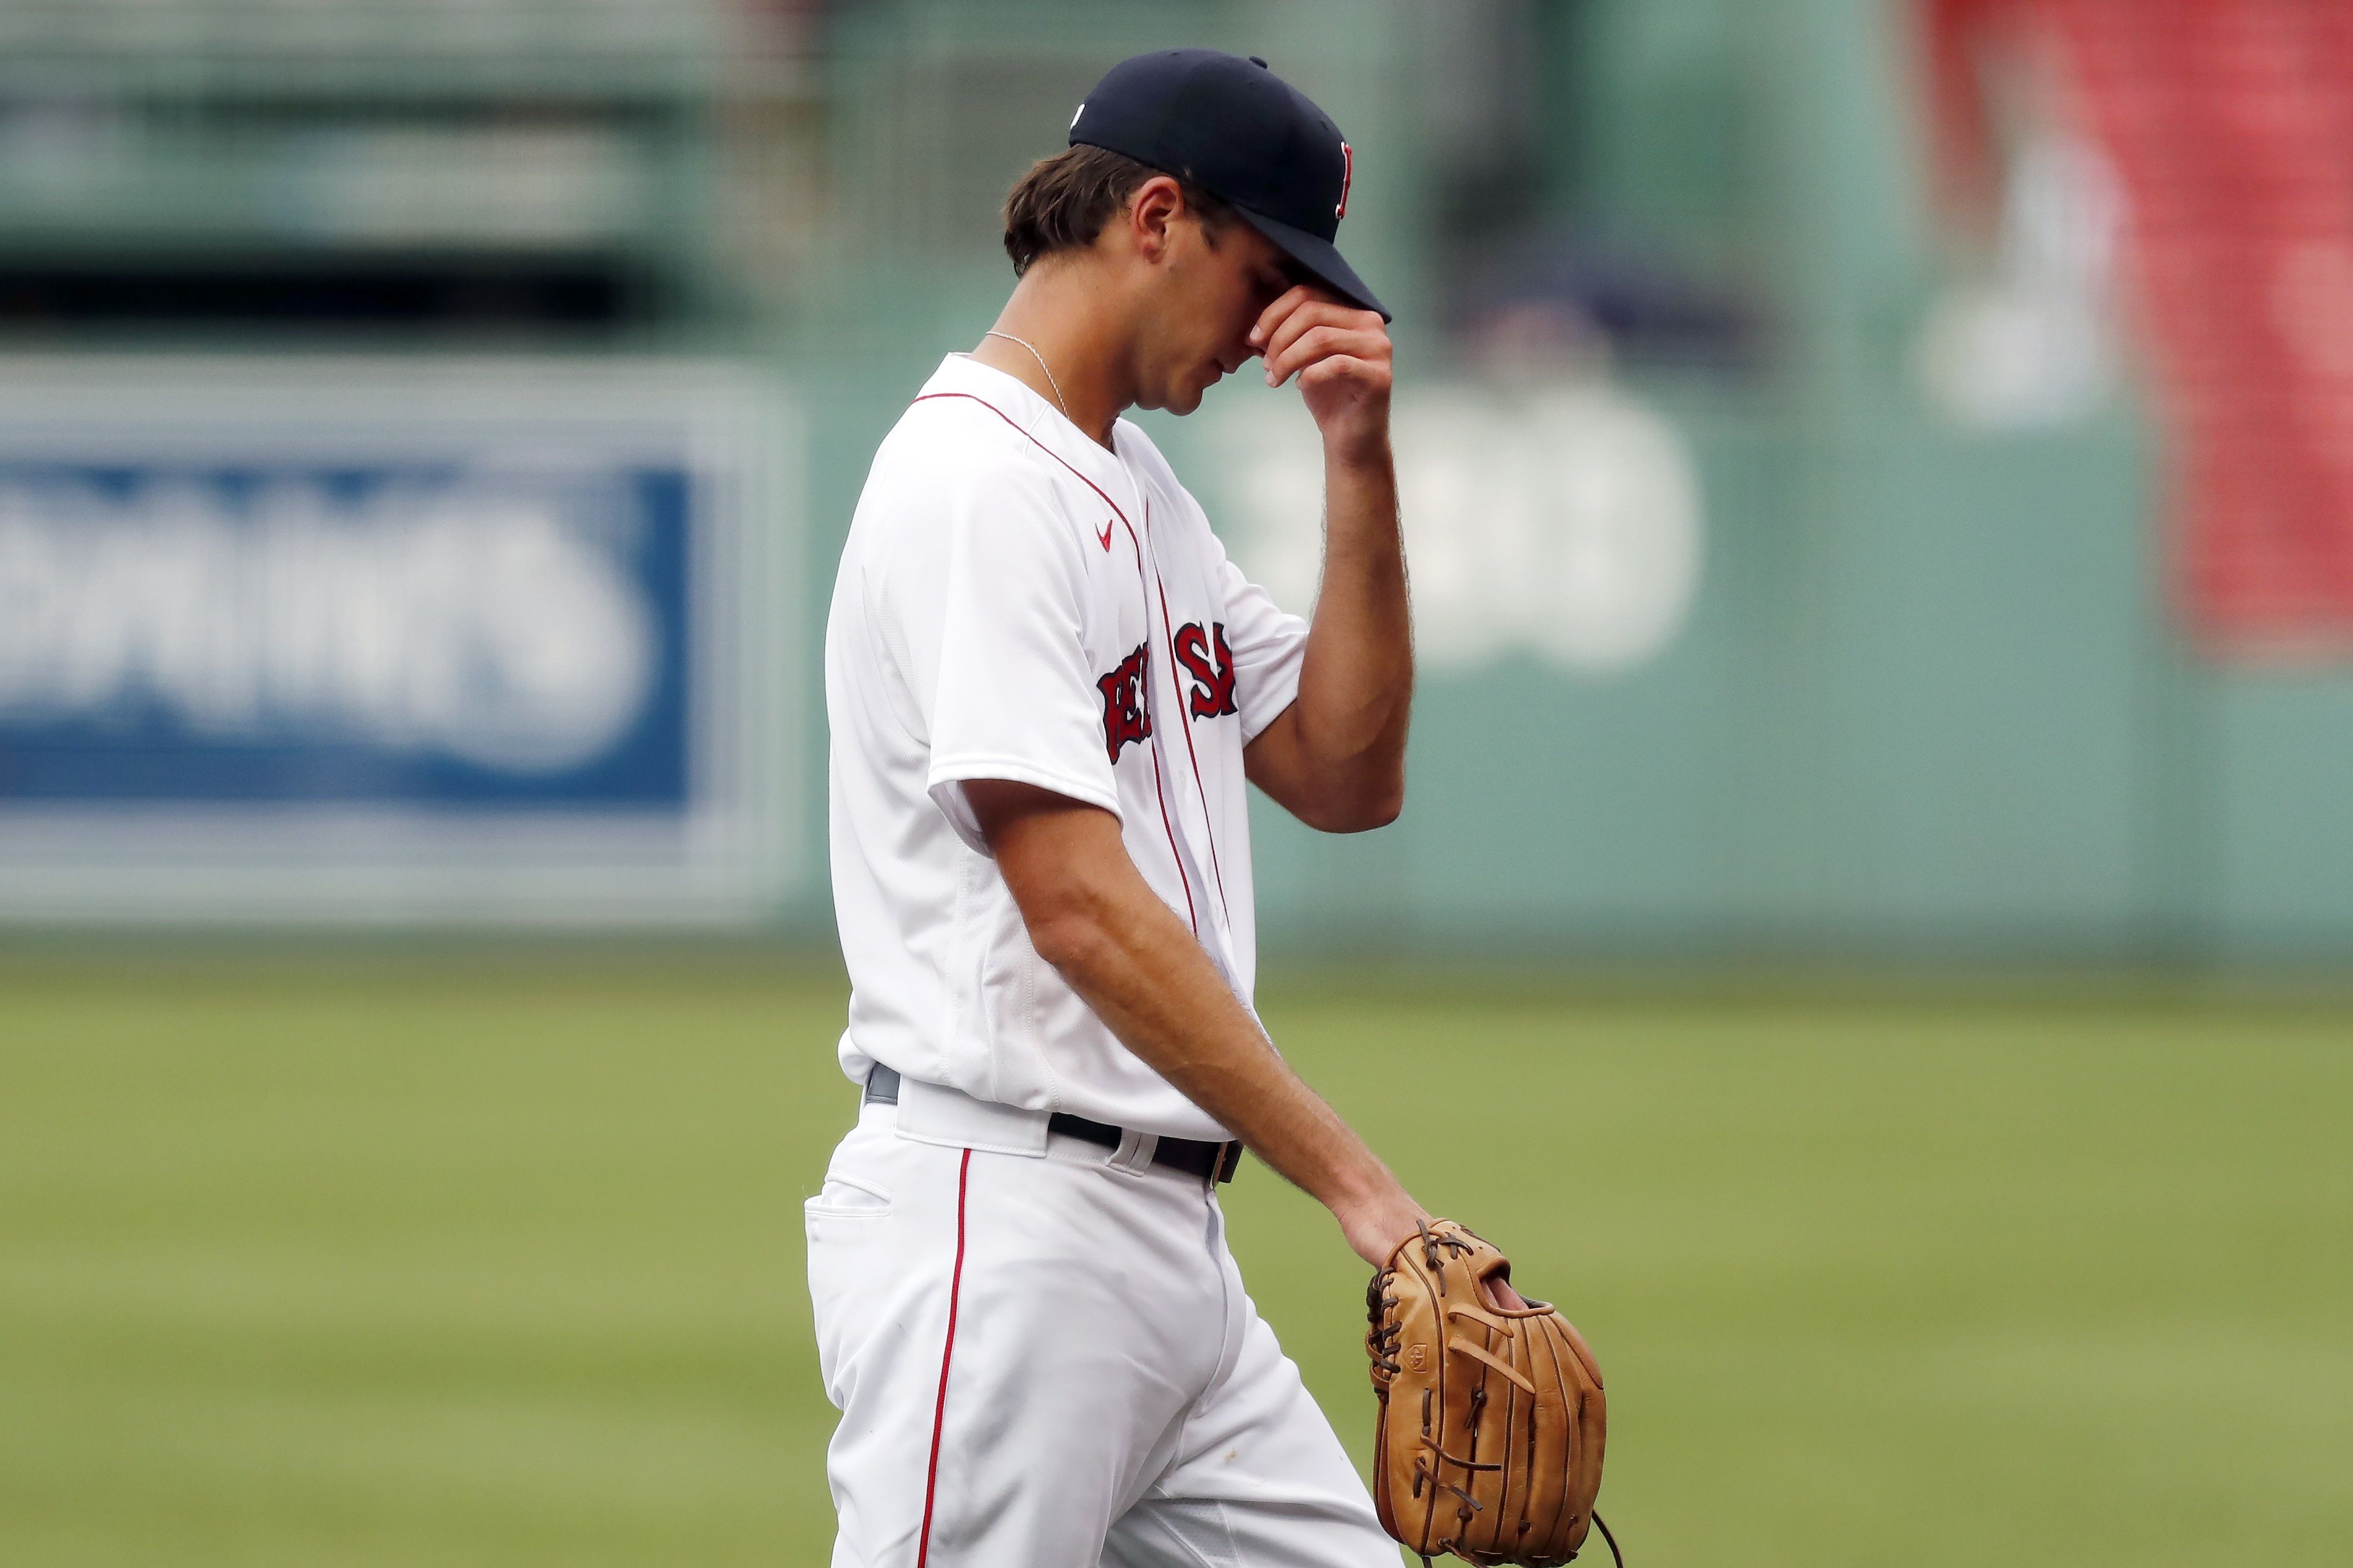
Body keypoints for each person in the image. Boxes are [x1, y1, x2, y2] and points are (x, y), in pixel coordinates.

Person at [811, 48, 1441, 1567]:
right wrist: (1367, 1190)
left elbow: (1346, 772)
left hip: (1170, 1252)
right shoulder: (976, 482)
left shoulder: (1137, 484)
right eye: (1266, 269)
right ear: (1156, 217)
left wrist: (1359, 462)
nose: (1283, 321)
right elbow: (1079, 905)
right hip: (1006, 1222)